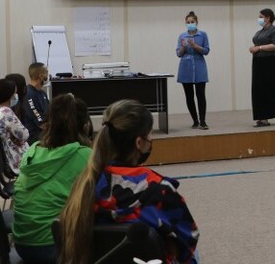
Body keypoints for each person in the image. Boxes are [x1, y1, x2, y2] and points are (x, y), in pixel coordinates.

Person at [59, 100, 199, 264]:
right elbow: (189, 238)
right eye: (150, 134)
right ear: (139, 143)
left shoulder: (84, 183)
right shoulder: (159, 189)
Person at [13, 93, 92, 264]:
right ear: (85, 126)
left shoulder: (32, 150)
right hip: (54, 247)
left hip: (22, 244)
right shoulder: (84, 155)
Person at [0, 78, 30, 174]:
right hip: (16, 159)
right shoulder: (5, 112)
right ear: (9, 96)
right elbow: (24, 135)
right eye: (15, 94)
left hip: (8, 156)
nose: (16, 96)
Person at [249, 8, 275, 127]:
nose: (259, 19)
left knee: (271, 87)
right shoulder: (259, 32)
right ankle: (262, 118)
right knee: (258, 89)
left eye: (261, 16)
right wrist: (253, 48)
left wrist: (258, 48)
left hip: (269, 62)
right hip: (258, 62)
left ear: (268, 17)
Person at [176, 11, 210, 130]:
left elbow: (206, 51)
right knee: (189, 96)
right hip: (185, 67)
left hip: (199, 66)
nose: (190, 24)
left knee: (200, 95)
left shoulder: (203, 35)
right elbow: (178, 54)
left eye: (192, 22)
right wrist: (184, 47)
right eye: (188, 22)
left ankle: (203, 121)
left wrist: (195, 46)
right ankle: (195, 121)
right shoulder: (182, 36)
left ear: (196, 23)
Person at [24, 62, 50, 144]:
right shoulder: (29, 94)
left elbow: (50, 111)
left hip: (45, 133)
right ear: (41, 76)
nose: (48, 75)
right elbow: (39, 121)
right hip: (35, 137)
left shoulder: (42, 93)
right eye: (46, 72)